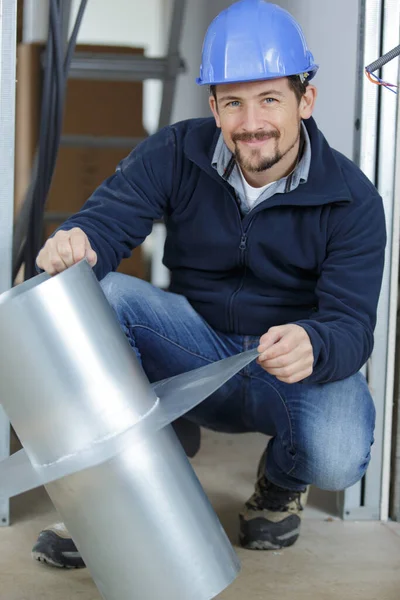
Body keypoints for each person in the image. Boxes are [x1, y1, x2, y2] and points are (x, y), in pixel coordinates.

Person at [32, 0, 386, 569]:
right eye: (234, 103)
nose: (252, 123)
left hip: (285, 364)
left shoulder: (354, 200)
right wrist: (77, 242)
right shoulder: (176, 150)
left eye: (270, 99)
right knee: (105, 296)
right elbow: (107, 223)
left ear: (305, 100)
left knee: (340, 450)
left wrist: (315, 344)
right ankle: (127, 494)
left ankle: (280, 483)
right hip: (193, 348)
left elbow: (351, 326)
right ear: (214, 107)